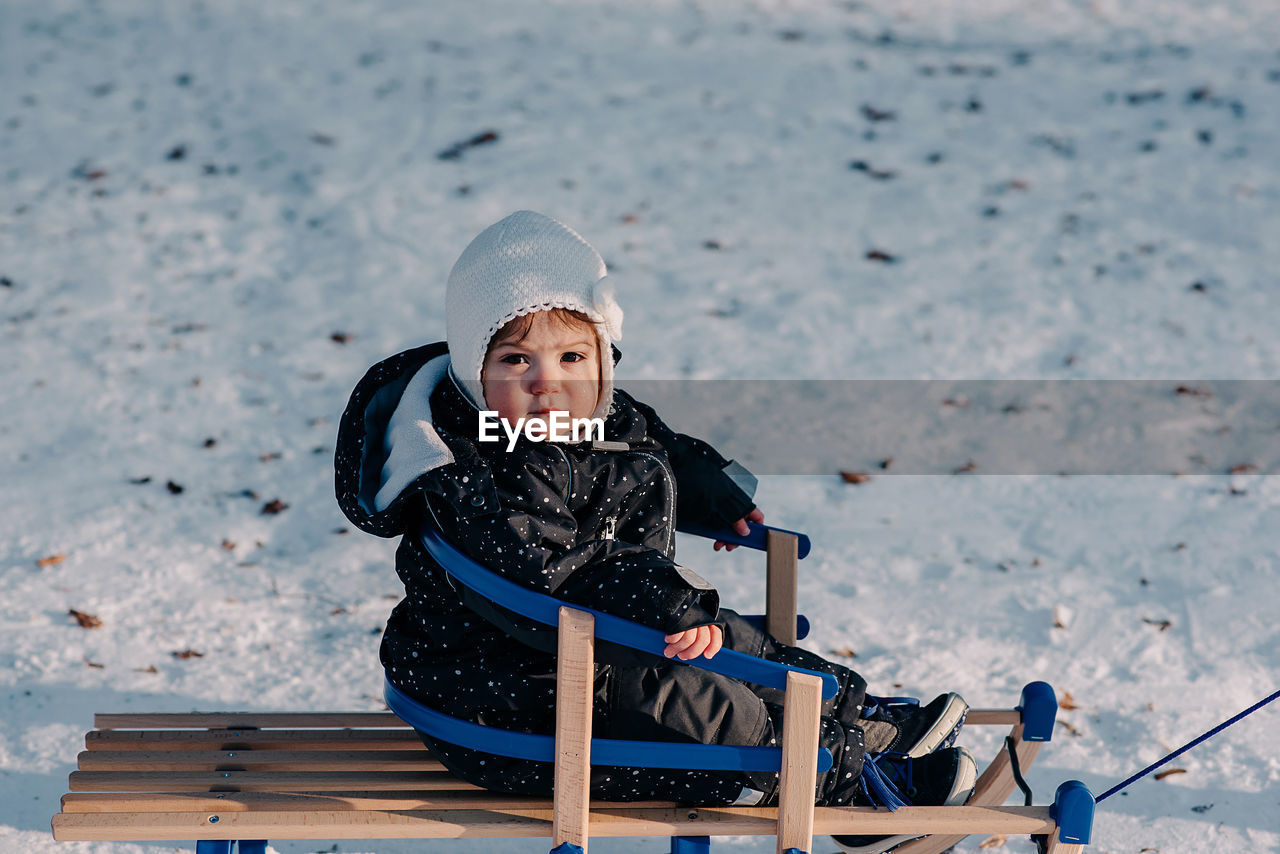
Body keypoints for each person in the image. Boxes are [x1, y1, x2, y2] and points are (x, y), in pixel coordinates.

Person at [335, 210, 975, 853]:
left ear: (603, 357)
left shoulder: (590, 413)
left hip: (593, 651)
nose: (546, 383)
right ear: (473, 371)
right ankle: (849, 787)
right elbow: (557, 575)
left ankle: (856, 723)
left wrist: (713, 496)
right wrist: (668, 604)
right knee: (698, 704)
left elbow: (650, 445)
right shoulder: (483, 471)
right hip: (508, 702)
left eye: (571, 356)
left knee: (741, 645)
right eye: (514, 359)